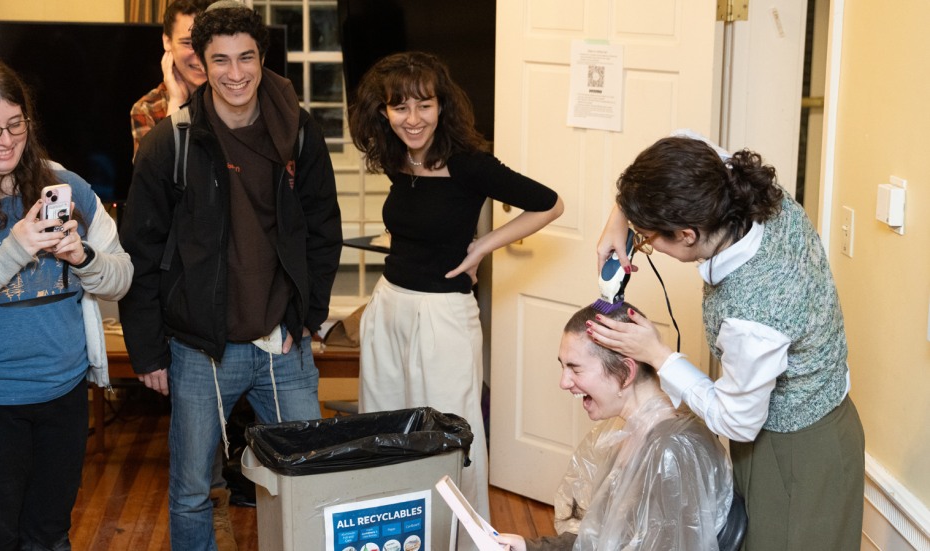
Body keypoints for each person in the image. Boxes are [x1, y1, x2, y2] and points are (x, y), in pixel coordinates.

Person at [118, 1, 342, 548]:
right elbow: (139, 255)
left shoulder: (299, 131)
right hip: (199, 349)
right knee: (194, 490)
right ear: (200, 61)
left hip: (282, 345)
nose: (235, 73)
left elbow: (323, 228)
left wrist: (308, 317)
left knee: (310, 479)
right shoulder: (170, 141)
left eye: (246, 58)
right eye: (221, 60)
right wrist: (146, 353)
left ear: (262, 57)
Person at [590, 133, 864, 550]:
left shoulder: (754, 313)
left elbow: (737, 420)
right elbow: (681, 143)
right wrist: (620, 216)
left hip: (801, 450)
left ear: (685, 235)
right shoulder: (731, 184)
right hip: (784, 425)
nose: (644, 245)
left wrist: (657, 355)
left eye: (647, 238)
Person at [347, 50, 564, 545]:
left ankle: (465, 542)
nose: (413, 119)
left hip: (444, 314)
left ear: (442, 106)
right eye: (400, 107)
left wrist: (483, 247)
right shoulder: (396, 158)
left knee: (450, 438)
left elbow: (549, 203)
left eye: (424, 105)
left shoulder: (469, 165)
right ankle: (393, 536)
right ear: (383, 111)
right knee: (384, 429)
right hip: (389, 305)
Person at [0, 58, 133, 549]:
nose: (5, 141)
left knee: (50, 536)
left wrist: (83, 256)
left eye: (15, 125)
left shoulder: (68, 187)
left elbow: (121, 277)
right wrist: (17, 247)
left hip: (64, 397)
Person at [129, 1, 238, 547]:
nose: (198, 53)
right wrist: (177, 106)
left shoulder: (245, 96)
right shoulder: (151, 113)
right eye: (187, 42)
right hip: (186, 299)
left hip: (241, 303)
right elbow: (153, 211)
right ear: (168, 49)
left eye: (205, 41)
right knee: (197, 463)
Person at [496, 302, 732, 551]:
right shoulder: (622, 431)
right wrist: (528, 547)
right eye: (562, 367)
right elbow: (597, 538)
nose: (563, 382)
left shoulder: (672, 451)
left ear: (625, 372)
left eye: (575, 368)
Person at [130, 0, 214, 156]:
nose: (201, 55)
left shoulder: (235, 96)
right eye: (188, 43)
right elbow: (152, 177)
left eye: (208, 42)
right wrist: (176, 104)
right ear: (167, 41)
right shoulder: (148, 108)